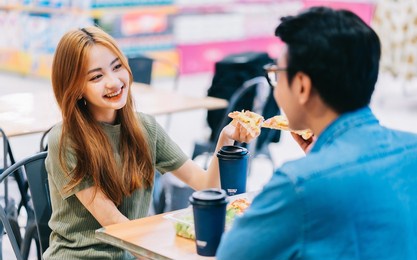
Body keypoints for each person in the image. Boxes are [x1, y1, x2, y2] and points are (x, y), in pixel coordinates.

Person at [217, 6, 417, 260]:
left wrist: (317, 165)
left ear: (302, 86)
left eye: (277, 75)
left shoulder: (297, 184)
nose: (277, 90)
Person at [44, 26, 256, 259]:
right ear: (75, 88)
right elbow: (116, 225)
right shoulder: (66, 140)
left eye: (117, 67)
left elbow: (208, 186)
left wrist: (225, 140)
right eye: (96, 76)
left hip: (130, 251)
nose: (113, 82)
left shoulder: (145, 128)